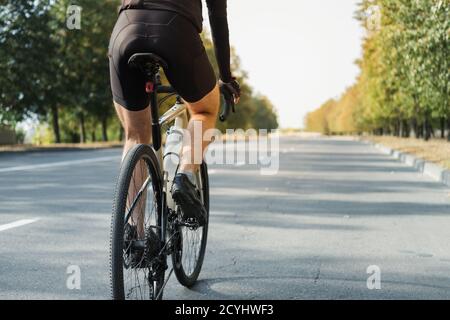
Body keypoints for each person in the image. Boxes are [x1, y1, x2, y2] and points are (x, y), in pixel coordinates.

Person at [109, 0, 240, 226]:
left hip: (126, 30)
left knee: (136, 135)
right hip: (175, 31)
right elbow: (218, 17)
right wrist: (226, 78)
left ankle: (133, 235)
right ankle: (185, 176)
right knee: (204, 110)